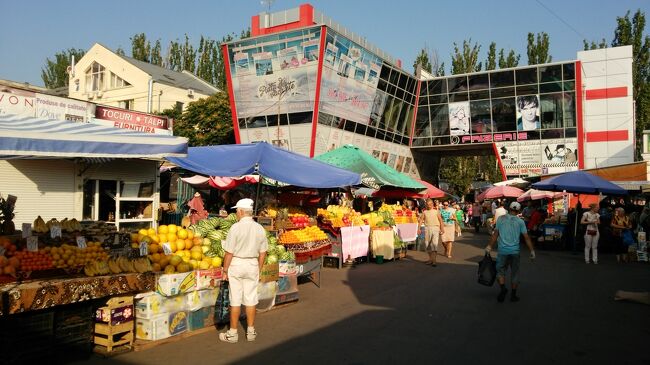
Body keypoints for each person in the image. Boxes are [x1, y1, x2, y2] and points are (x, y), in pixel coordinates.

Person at [219, 198, 268, 343]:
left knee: (235, 299)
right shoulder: (259, 228)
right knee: (251, 299)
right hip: (252, 264)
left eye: (236, 211)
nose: (236, 214)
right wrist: (258, 268)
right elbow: (263, 252)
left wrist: (225, 270)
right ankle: (251, 332)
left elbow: (229, 253)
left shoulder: (235, 228)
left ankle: (233, 334)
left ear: (241, 211)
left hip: (237, 264)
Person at [486, 202, 536, 303]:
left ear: (508, 208)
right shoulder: (520, 222)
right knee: (515, 273)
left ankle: (503, 288)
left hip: (503, 251)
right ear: (519, 211)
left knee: (500, 271)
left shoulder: (501, 219)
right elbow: (526, 237)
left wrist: (489, 246)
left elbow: (495, 234)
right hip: (515, 252)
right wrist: (532, 251)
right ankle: (513, 295)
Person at [419, 199, 444, 266]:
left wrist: (442, 229)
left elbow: (441, 220)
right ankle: (431, 259)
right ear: (426, 205)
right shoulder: (425, 212)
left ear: (432, 204)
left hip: (435, 228)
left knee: (434, 244)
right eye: (428, 204)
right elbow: (421, 220)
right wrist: (418, 229)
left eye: (430, 204)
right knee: (427, 245)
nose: (429, 206)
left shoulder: (436, 211)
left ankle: (434, 261)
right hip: (427, 229)